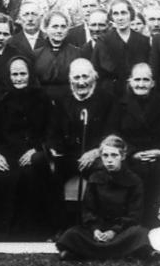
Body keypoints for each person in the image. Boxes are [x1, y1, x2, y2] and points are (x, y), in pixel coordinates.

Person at [0, 56, 61, 239]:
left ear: (30, 74)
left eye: (23, 74)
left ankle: (31, 233)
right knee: (1, 177)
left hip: (33, 153)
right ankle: (0, 234)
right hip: (5, 154)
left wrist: (36, 149)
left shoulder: (42, 98)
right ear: (8, 76)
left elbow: (51, 130)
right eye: (14, 74)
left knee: (31, 174)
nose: (18, 78)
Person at [56, 135, 151, 260]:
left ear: (122, 156)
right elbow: (88, 210)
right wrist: (95, 230)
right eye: (105, 156)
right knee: (71, 234)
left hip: (121, 231)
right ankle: (120, 252)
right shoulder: (95, 178)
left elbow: (134, 214)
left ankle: (88, 252)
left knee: (140, 233)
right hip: (98, 230)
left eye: (114, 155)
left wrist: (113, 232)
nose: (109, 160)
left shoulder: (134, 180)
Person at [110, 62, 160, 226]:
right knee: (134, 173)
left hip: (159, 155)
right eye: (137, 79)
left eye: (146, 80)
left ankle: (157, 224)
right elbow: (115, 134)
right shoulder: (120, 104)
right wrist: (132, 153)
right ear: (130, 81)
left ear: (153, 83)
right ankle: (134, 224)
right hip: (132, 155)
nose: (141, 84)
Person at [49, 58, 116, 186]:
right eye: (76, 77)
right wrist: (56, 149)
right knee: (52, 183)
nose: (81, 82)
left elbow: (111, 133)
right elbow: (53, 131)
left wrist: (96, 152)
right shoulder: (62, 100)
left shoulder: (107, 100)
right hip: (68, 156)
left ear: (94, 77)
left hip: (96, 156)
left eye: (85, 76)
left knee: (102, 176)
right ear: (70, 80)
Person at [93, 0, 151, 97]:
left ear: (131, 15)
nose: (120, 18)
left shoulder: (143, 41)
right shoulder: (103, 41)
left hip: (138, 94)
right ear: (111, 17)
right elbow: (96, 71)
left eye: (123, 13)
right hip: (111, 95)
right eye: (116, 14)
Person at [32, 11, 82, 100]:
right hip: (42, 102)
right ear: (46, 28)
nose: (59, 31)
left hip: (70, 102)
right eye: (55, 26)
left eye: (63, 27)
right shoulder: (35, 55)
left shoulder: (77, 53)